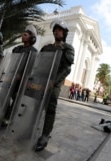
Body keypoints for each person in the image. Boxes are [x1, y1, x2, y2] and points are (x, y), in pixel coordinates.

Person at [35, 19, 75, 152]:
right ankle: (29, 127)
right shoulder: (47, 48)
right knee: (35, 104)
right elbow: (38, 64)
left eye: (60, 30)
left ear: (64, 33)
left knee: (50, 108)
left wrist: (55, 81)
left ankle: (45, 135)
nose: (57, 31)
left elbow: (67, 68)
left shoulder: (68, 48)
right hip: (41, 80)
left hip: (55, 83)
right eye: (55, 30)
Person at [2, 24, 38, 126]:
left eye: (26, 34)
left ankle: (9, 117)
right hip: (11, 77)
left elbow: (32, 67)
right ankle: (4, 113)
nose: (23, 35)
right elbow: (12, 63)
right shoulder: (16, 49)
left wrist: (23, 75)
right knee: (5, 95)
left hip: (22, 80)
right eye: (23, 34)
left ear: (32, 38)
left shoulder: (33, 52)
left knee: (17, 98)